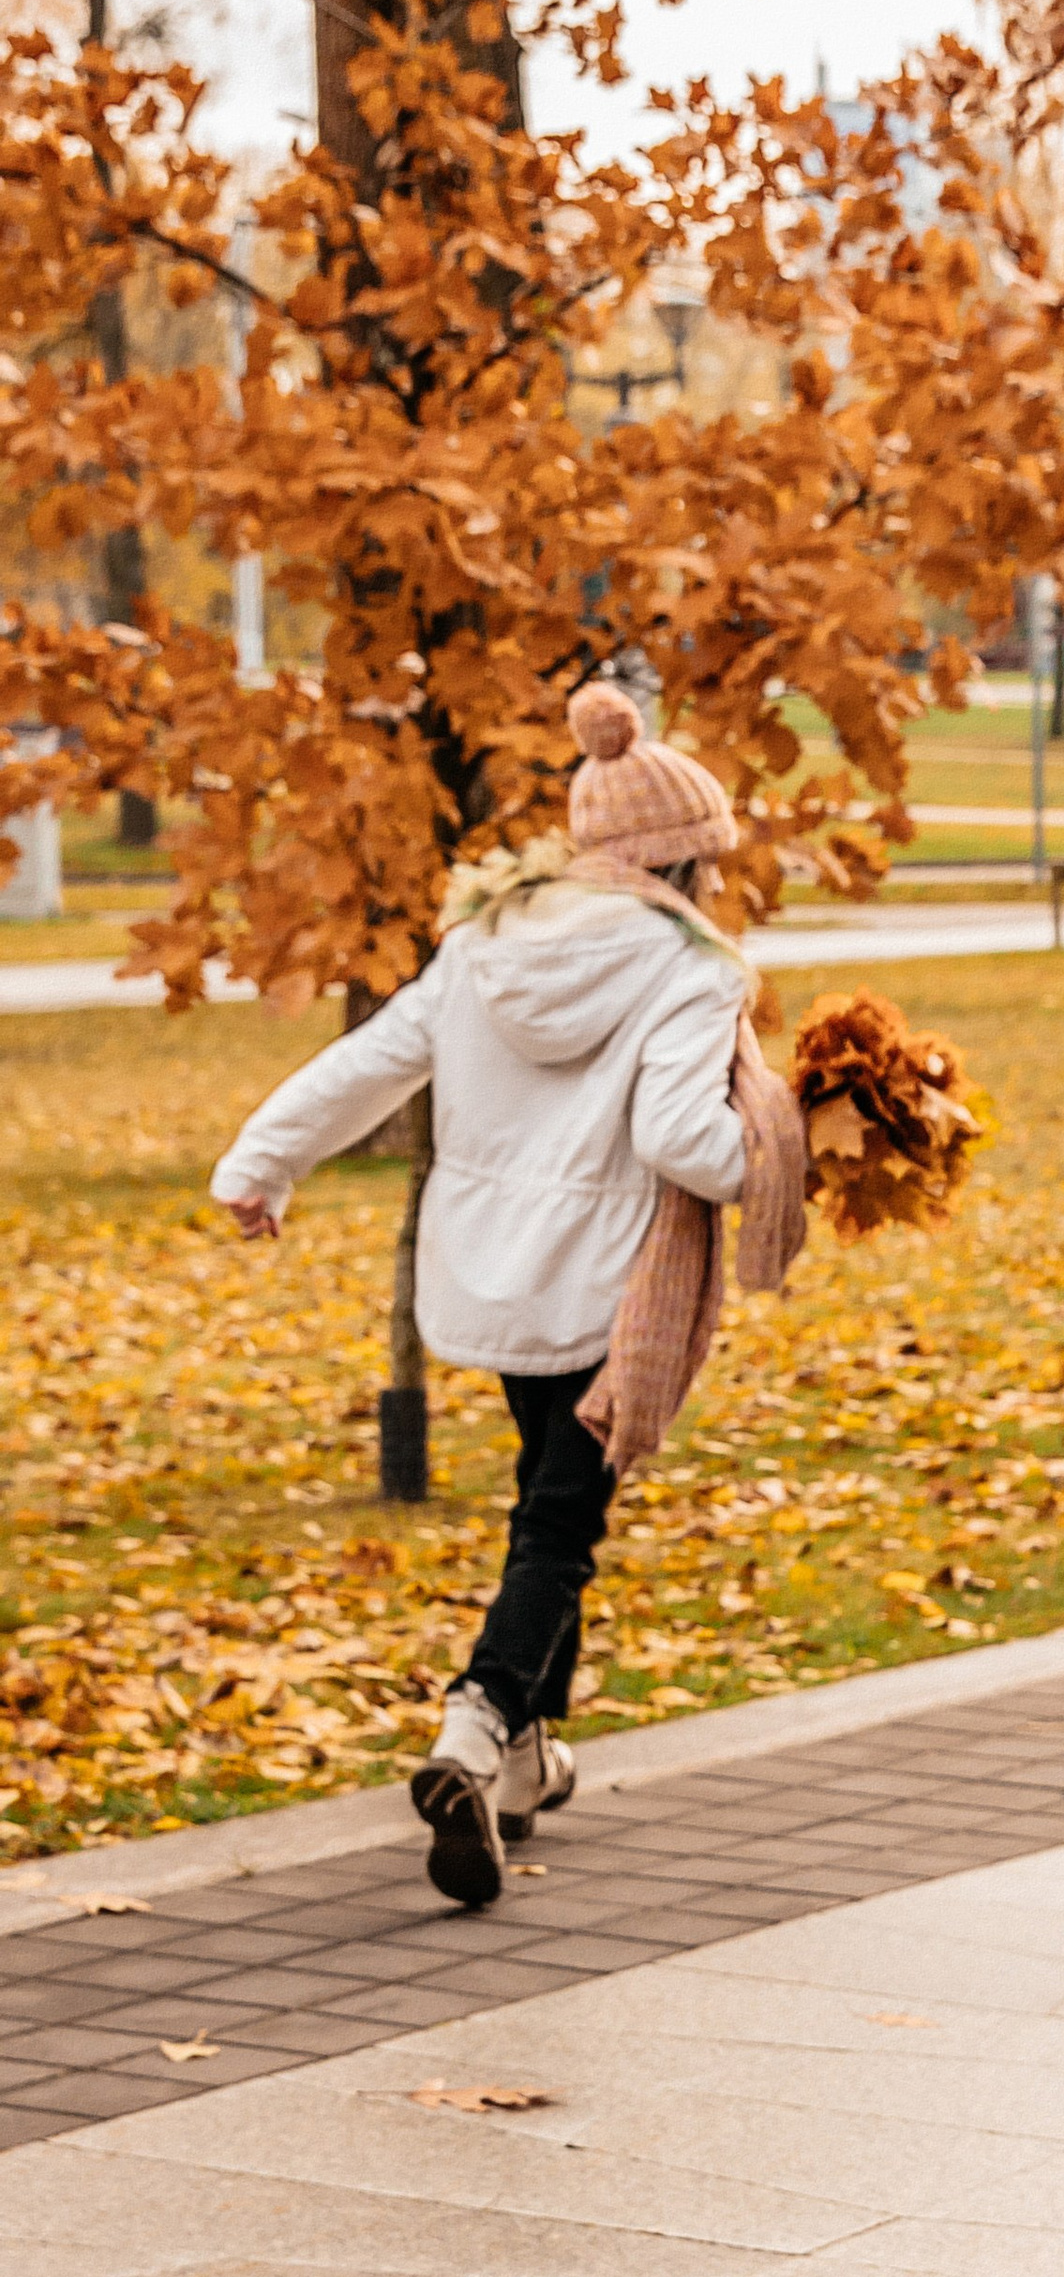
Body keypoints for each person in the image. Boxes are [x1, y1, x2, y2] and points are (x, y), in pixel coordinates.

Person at [211, 682, 799, 1912]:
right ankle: (472, 1732)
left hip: (484, 1272)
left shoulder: (482, 941)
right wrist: (793, 1161)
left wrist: (259, 1165)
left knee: (548, 1497)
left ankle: (527, 1765)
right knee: (562, 1527)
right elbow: (681, 1138)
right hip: (604, 1288)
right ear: (683, 862)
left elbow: (372, 1059)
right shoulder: (694, 971)